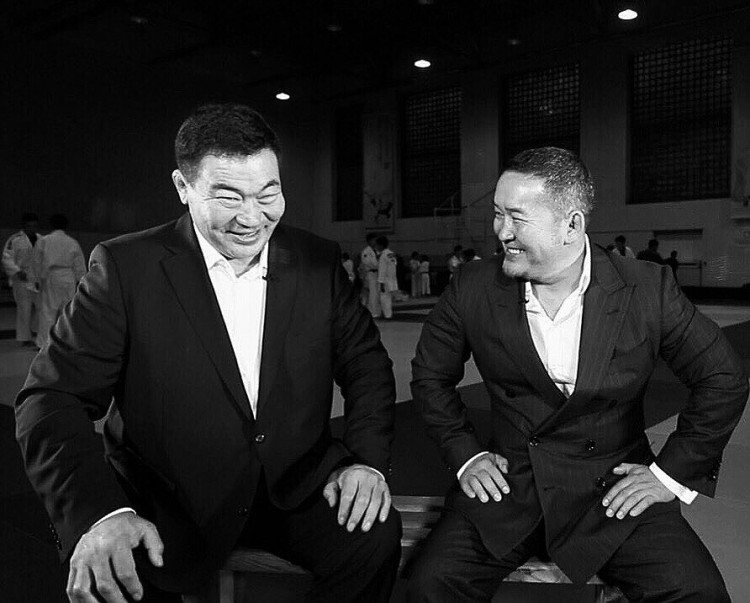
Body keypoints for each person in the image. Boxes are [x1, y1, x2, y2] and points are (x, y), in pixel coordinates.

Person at [15, 104, 401, 603]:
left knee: (371, 538)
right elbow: (51, 399)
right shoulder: (126, 268)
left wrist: (365, 463)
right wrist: (102, 514)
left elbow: (367, 367)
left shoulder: (317, 261)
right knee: (112, 571)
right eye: (228, 197)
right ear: (183, 187)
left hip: (296, 487)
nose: (252, 219)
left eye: (268, 194)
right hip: (166, 501)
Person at [408, 147, 747, 602]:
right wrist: (466, 455)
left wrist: (668, 475)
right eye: (497, 214)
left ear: (572, 225)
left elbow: (724, 377)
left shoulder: (647, 288)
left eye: (516, 217)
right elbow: (430, 377)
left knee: (697, 593)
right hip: (509, 489)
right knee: (430, 586)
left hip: (613, 493)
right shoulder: (472, 286)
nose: (500, 231)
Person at [33, 213, 86, 349]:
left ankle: (43, 344)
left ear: (51, 225)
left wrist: (37, 279)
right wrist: (81, 281)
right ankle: (67, 343)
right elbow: (79, 264)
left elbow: (37, 262)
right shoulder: (72, 242)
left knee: (48, 311)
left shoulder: (44, 240)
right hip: (69, 276)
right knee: (67, 311)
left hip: (52, 276)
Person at [2, 212, 41, 346]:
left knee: (41, 307)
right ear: (24, 226)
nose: (32, 228)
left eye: (34, 226)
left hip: (36, 278)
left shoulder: (42, 239)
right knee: (24, 309)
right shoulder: (15, 239)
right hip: (21, 278)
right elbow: (6, 258)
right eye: (29, 226)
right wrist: (17, 271)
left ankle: (35, 329)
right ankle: (25, 338)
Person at [376, 236, 398, 319]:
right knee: (388, 298)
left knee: (384, 298)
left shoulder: (383, 255)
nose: (376, 247)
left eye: (377, 245)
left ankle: (387, 315)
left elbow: (382, 269)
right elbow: (394, 265)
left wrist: (381, 282)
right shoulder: (391, 254)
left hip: (385, 280)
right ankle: (389, 314)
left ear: (381, 245)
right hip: (392, 279)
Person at [359, 233, 381, 316]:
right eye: (374, 240)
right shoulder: (366, 252)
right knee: (372, 293)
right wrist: (378, 263)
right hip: (370, 274)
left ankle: (377, 311)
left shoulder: (378, 250)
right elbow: (369, 263)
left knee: (378, 293)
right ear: (369, 241)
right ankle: (372, 312)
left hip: (378, 274)